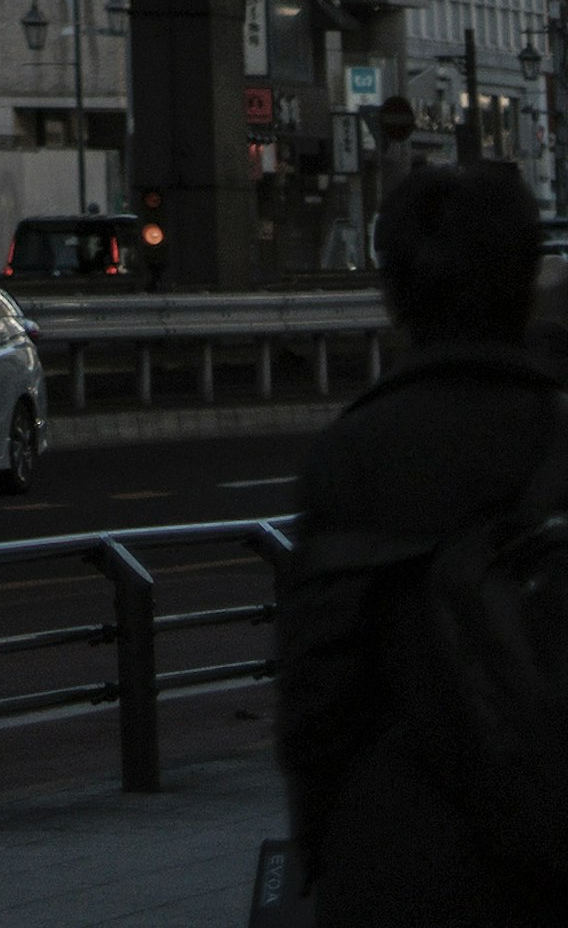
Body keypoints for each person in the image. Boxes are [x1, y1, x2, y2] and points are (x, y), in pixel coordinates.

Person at [278, 156, 561, 924]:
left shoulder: (354, 456)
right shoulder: (555, 436)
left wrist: (325, 843)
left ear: (395, 291)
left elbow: (317, 694)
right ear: (526, 280)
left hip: (399, 859)